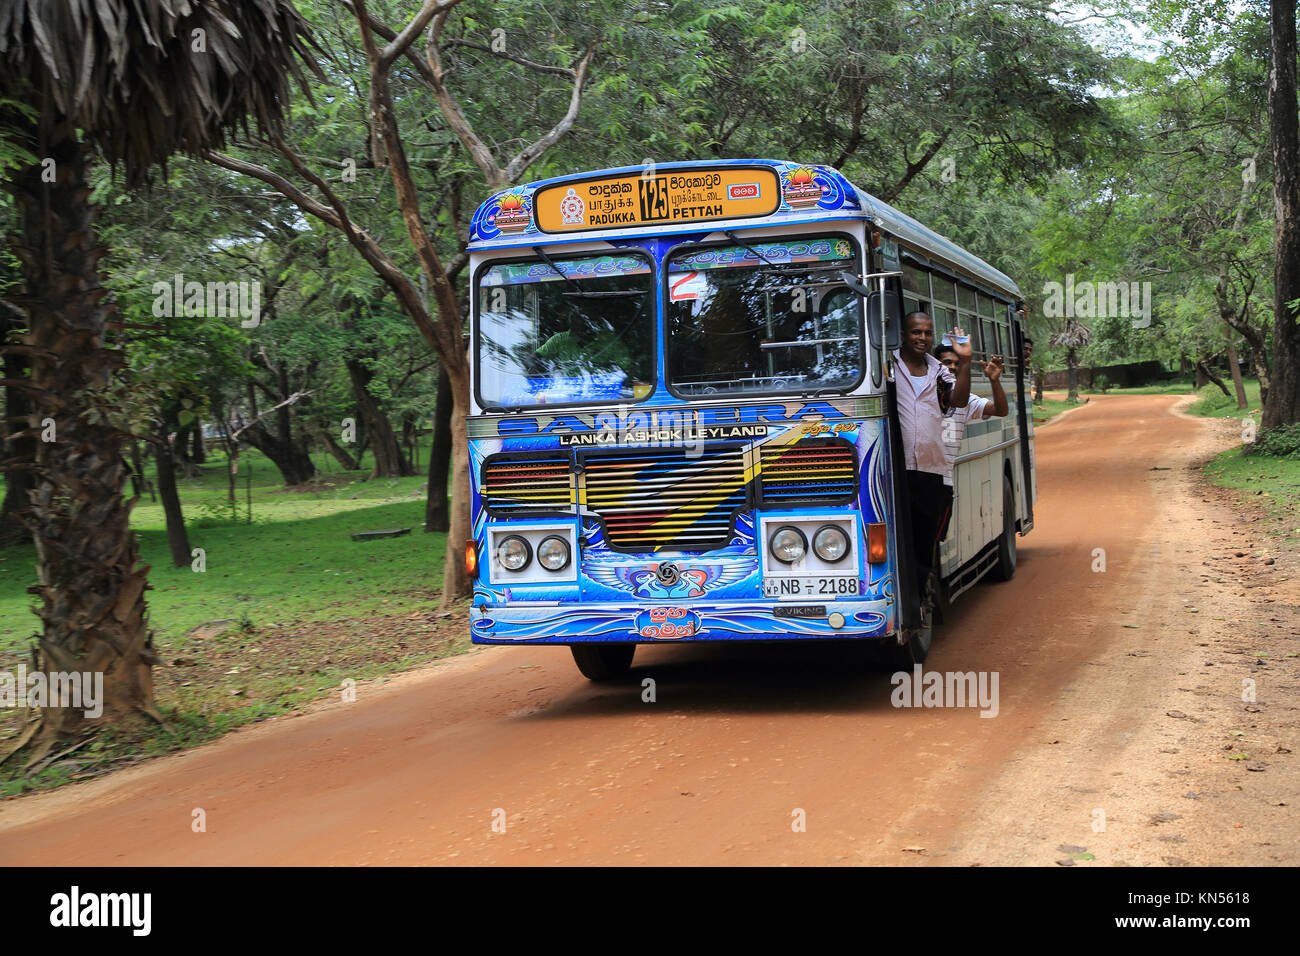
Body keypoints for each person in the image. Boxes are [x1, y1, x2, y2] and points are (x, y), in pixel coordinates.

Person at [892, 312, 971, 599]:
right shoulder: (888, 365)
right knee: (898, 539)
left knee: (925, 543)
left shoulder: (939, 370)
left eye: (927, 333)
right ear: (903, 334)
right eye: (916, 332)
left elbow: (958, 401)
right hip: (894, 470)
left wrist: (965, 363)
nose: (922, 338)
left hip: (930, 469)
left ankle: (920, 602)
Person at [935, 344, 1009, 494]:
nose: (953, 367)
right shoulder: (922, 396)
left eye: (958, 363)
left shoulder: (967, 401)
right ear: (936, 365)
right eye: (947, 362)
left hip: (944, 483)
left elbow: (1001, 411)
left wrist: (994, 381)